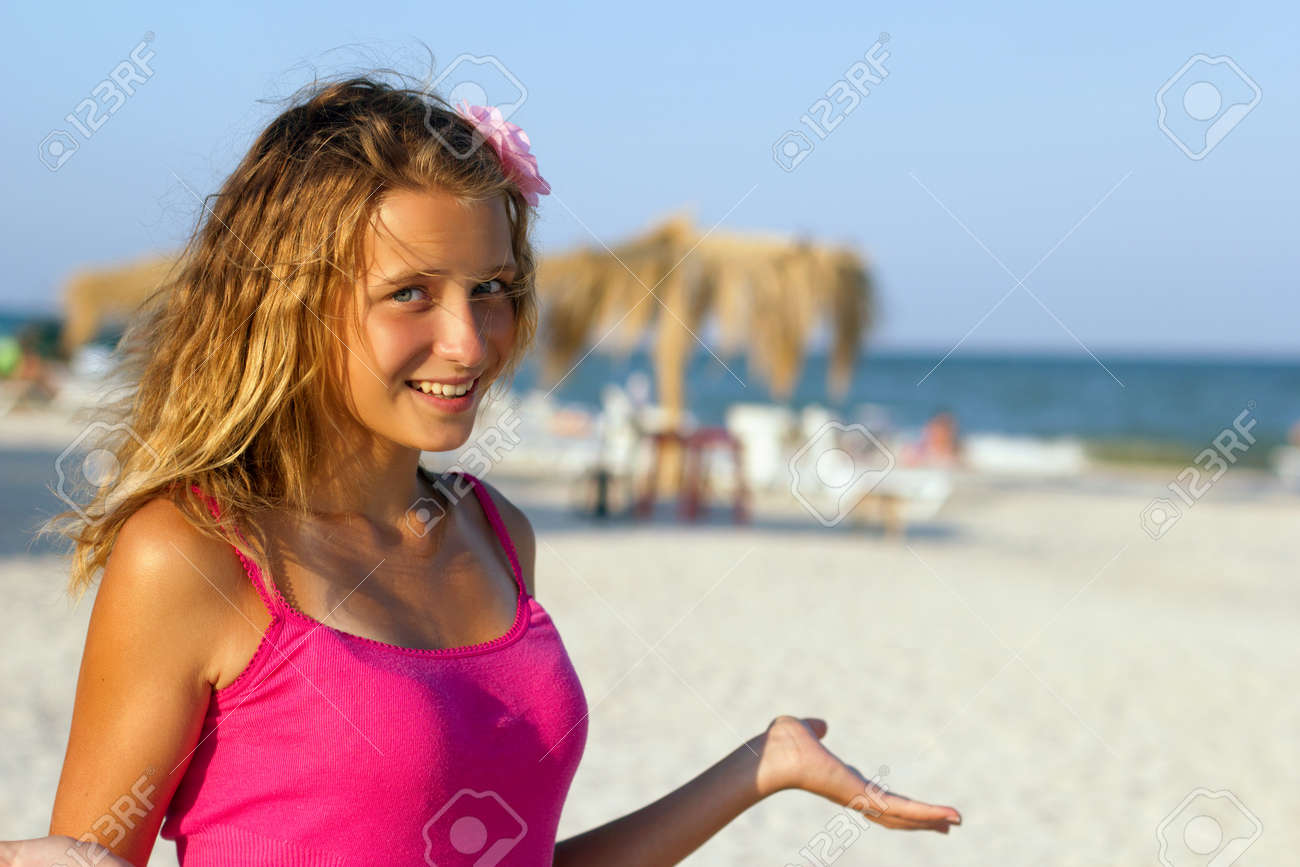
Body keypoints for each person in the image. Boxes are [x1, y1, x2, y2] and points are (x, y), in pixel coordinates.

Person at [7, 74, 960, 867]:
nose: (468, 341)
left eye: (491, 290)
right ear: (290, 305)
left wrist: (757, 766)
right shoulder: (194, 556)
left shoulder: (497, 533)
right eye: (411, 293)